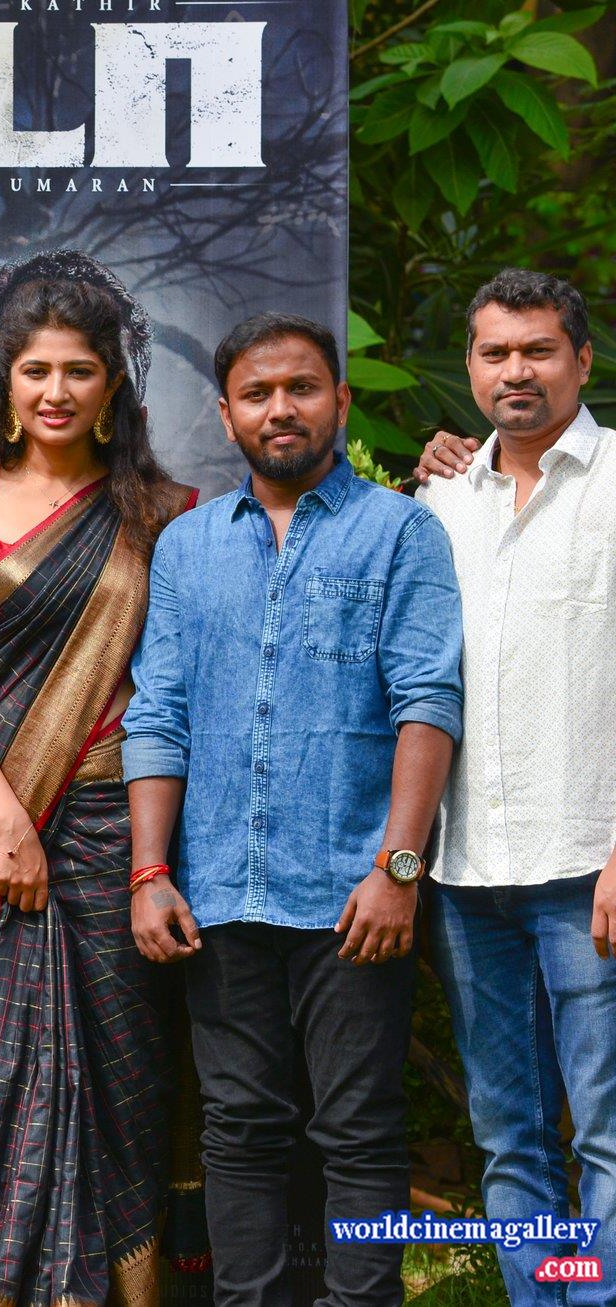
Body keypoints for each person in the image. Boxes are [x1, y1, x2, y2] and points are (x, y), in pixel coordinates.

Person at [122, 312, 462, 1306]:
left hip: (352, 894)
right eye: (257, 393)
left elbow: (427, 703)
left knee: (359, 1130)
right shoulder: (186, 546)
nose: (281, 408)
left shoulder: (399, 530)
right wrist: (149, 870)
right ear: (225, 413)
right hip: (219, 892)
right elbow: (159, 714)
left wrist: (397, 870)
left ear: (340, 402)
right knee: (237, 1127)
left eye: (302, 388)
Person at [0, 279, 195, 1306]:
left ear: (113, 385)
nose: (56, 390)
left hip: (116, 823)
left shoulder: (163, 515)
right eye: (36, 370)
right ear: (7, 380)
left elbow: (171, 687)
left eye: (80, 370)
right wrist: (6, 821)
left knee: (121, 1072)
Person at [406, 269, 616, 1305]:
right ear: (471, 366)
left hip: (589, 865)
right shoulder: (437, 500)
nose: (515, 370)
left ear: (582, 359)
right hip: (465, 872)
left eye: (538, 349)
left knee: (607, 1126)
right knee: (506, 1129)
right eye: (495, 352)